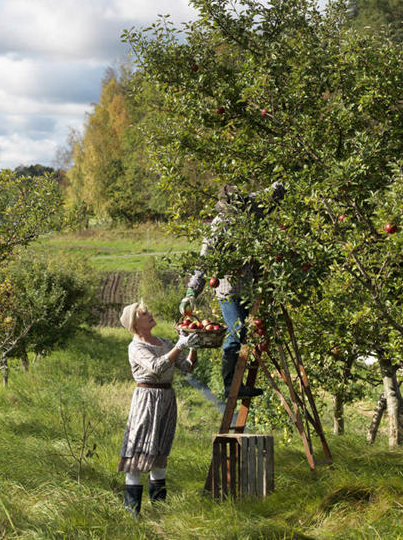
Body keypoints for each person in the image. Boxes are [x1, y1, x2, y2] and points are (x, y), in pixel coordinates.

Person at [179, 182, 285, 399]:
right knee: (237, 332)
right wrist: (192, 291)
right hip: (229, 288)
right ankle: (230, 385)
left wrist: (292, 175)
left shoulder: (252, 206)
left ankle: (240, 383)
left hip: (254, 287)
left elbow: (273, 192)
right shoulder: (219, 226)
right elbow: (205, 260)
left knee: (250, 333)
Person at [117, 300, 200, 516]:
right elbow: (156, 367)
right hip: (146, 400)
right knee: (138, 451)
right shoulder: (136, 347)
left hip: (166, 399)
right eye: (144, 313)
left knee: (161, 451)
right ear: (135, 324)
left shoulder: (164, 342)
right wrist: (179, 346)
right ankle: (132, 513)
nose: (150, 314)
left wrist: (193, 347)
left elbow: (186, 367)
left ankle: (159, 512)